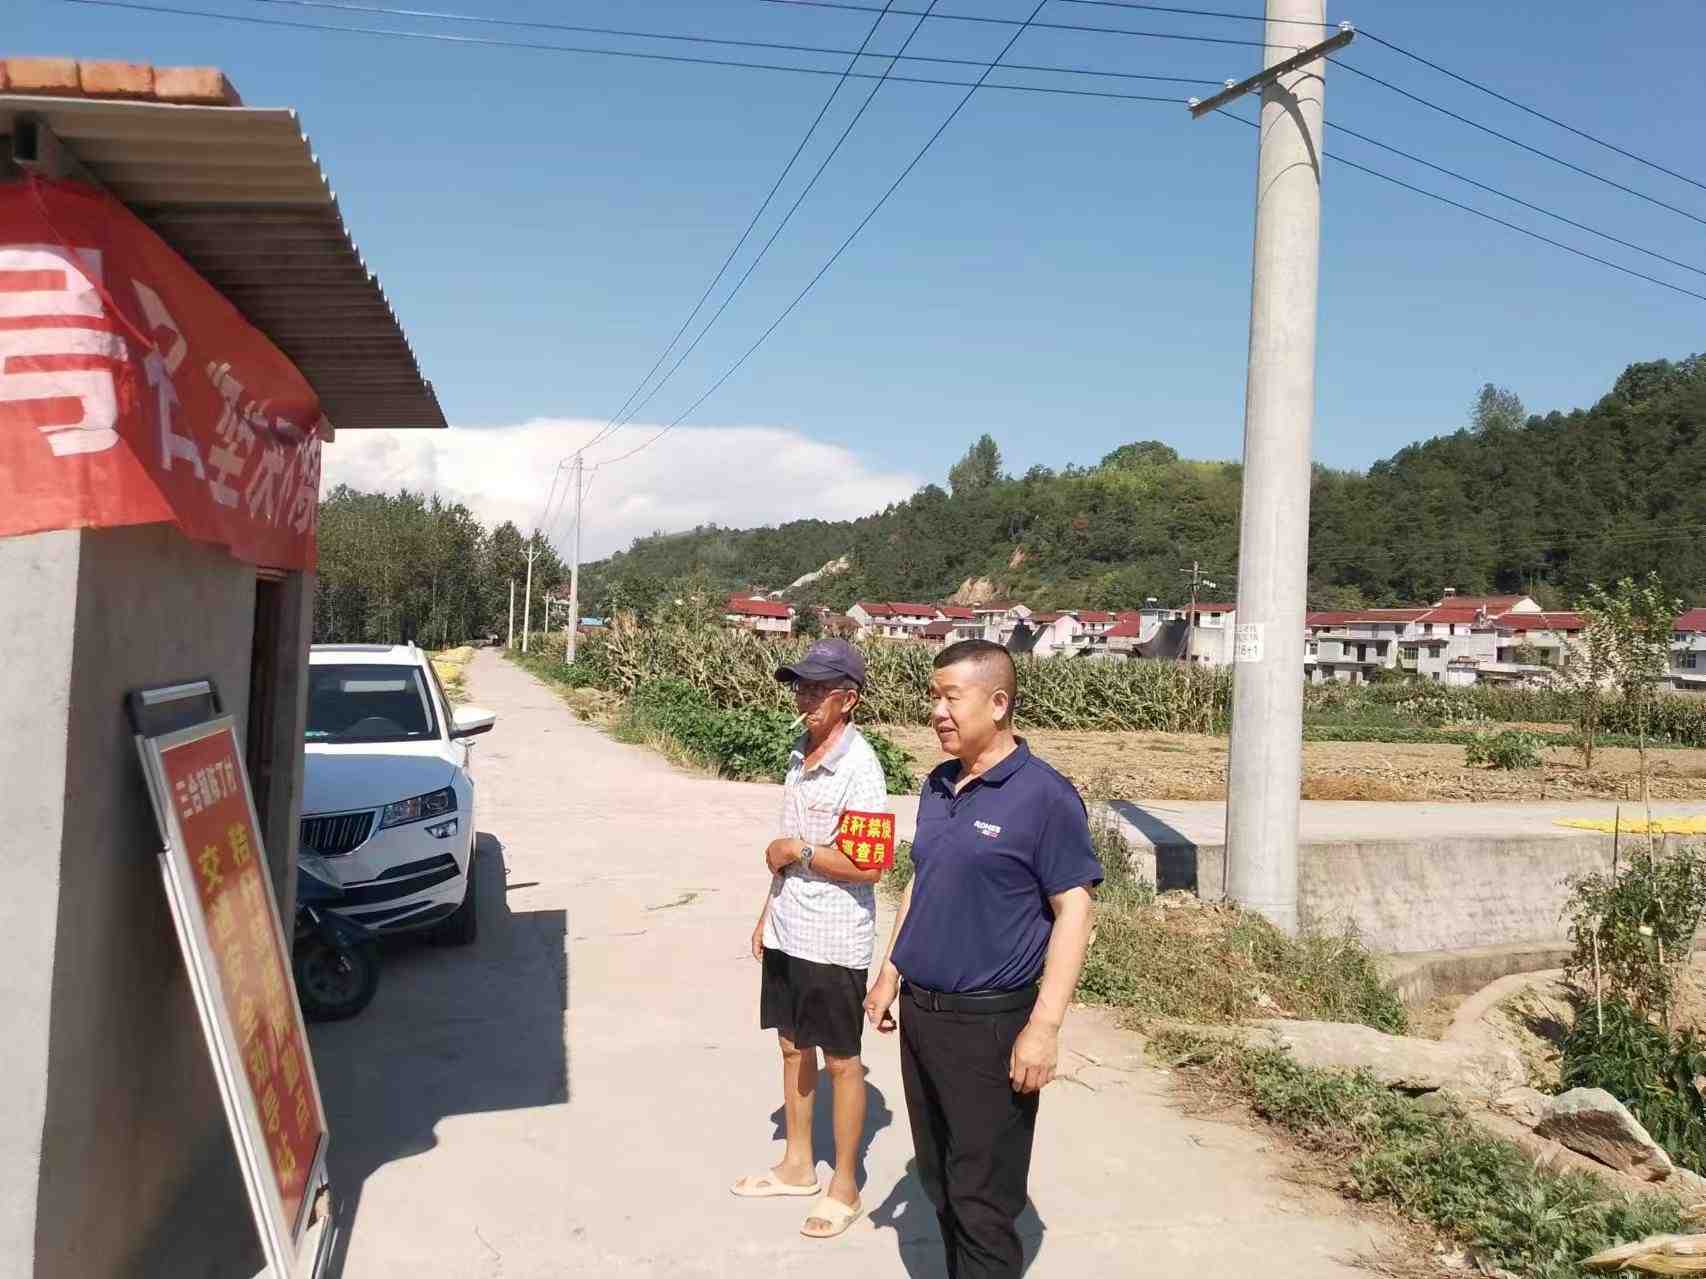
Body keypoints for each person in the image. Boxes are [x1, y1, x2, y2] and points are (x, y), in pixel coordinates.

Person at [865, 639, 1101, 1279]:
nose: (936, 711)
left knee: (983, 1199)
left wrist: (1044, 1027)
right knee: (940, 1182)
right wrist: (890, 973)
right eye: (933, 696)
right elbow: (923, 881)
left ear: (998, 704)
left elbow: (1074, 911)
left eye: (951, 697)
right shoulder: (938, 784)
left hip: (991, 1025)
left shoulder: (1044, 796)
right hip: (923, 1017)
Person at [730, 638, 890, 1240]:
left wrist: (796, 852)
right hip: (789, 927)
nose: (805, 697)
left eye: (818, 689)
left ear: (848, 699)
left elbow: (869, 866)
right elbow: (785, 852)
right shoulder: (801, 752)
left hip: (833, 938)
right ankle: (797, 1166)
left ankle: (844, 1185)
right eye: (801, 686)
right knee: (792, 1046)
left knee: (842, 1061)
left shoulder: (860, 768)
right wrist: (765, 915)